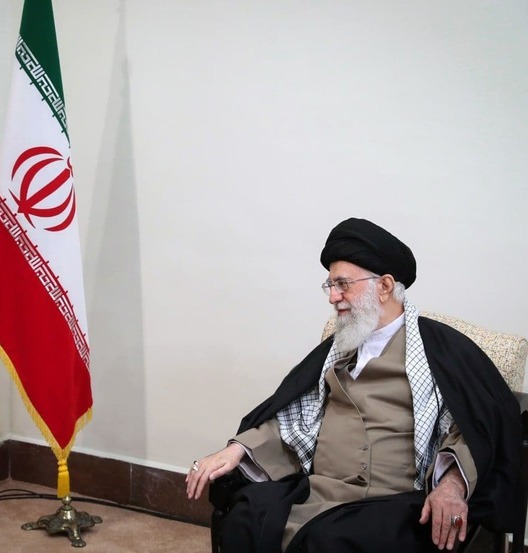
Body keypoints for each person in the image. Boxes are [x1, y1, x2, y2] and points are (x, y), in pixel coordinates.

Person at [186, 218, 520, 553]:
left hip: (391, 503)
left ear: (384, 286)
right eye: (330, 285)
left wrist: (451, 485)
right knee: (247, 518)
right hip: (318, 492)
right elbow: (293, 418)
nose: (333, 297)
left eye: (343, 284)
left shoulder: (441, 352)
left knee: (330, 542)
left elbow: (474, 429)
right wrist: (236, 450)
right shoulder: (336, 349)